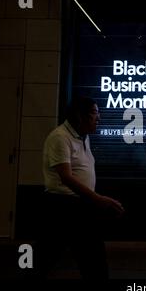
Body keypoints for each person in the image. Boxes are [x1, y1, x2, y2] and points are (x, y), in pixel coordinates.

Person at [38, 96, 125, 280]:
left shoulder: (83, 136)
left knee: (93, 259)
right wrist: (98, 200)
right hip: (62, 206)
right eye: (94, 113)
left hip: (81, 206)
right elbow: (66, 178)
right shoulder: (60, 138)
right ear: (79, 116)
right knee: (45, 257)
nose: (99, 118)